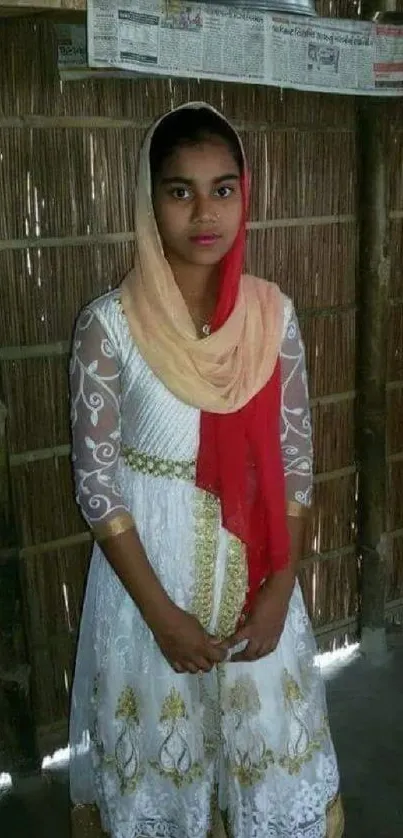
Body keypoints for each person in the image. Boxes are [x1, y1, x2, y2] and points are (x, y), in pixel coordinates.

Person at [69, 102, 344, 838]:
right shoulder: (110, 327)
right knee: (164, 767)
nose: (202, 212)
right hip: (146, 588)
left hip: (257, 574)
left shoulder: (270, 315)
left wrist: (280, 589)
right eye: (178, 189)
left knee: (261, 760)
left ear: (244, 196)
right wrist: (162, 619)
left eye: (222, 188)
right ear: (147, 199)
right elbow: (97, 489)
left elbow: (295, 459)